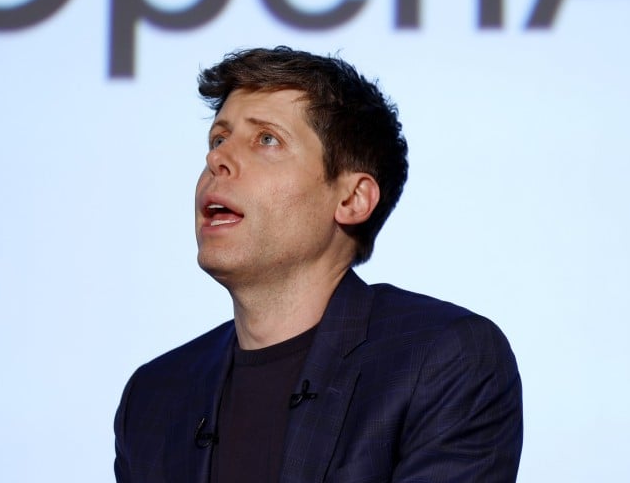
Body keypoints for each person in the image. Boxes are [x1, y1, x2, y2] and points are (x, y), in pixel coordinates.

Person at [114, 46, 523, 482]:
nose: (217, 160)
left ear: (351, 199)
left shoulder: (442, 359)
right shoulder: (155, 397)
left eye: (266, 139)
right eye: (218, 139)